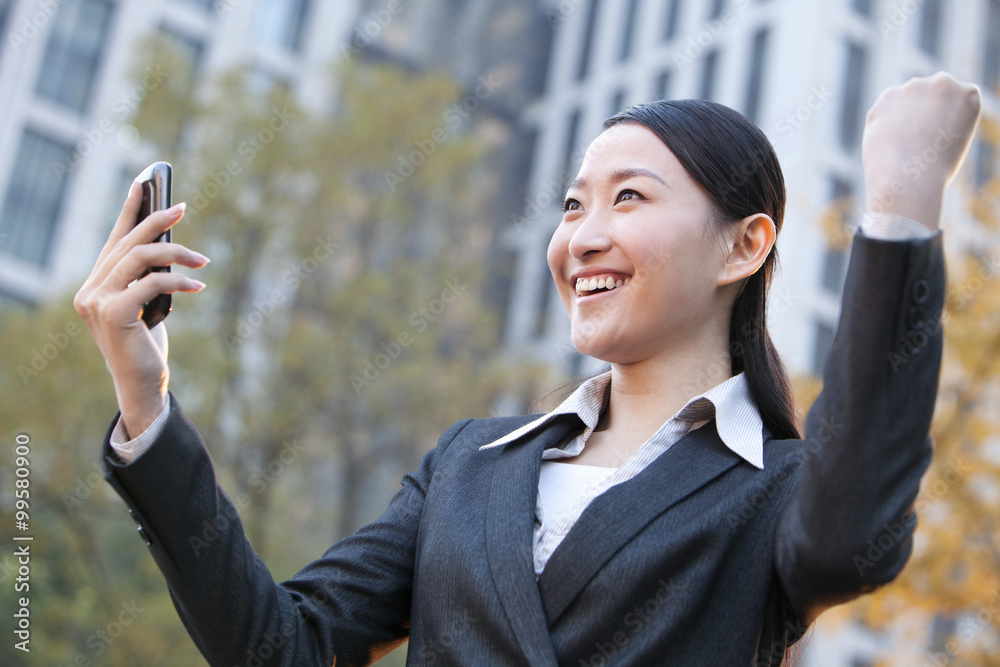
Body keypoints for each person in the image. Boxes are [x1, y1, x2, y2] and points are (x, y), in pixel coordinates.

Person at [74, 72, 981, 666]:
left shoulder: (777, 489)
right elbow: (283, 646)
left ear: (744, 246)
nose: (582, 236)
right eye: (573, 204)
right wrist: (147, 402)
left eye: (630, 197)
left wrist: (902, 204)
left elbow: (850, 534)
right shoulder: (470, 463)